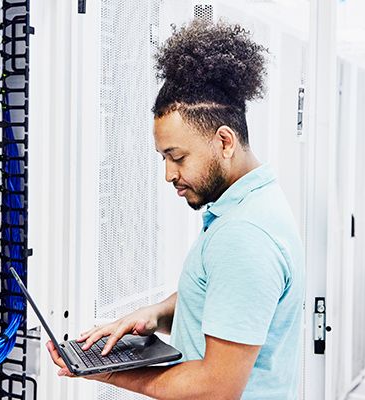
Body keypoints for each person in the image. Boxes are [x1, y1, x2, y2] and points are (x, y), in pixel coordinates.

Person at [47, 19, 305, 399]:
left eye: (178, 157)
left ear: (224, 141)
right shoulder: (253, 204)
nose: (169, 174)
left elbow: (215, 389)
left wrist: (104, 374)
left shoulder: (245, 237)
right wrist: (157, 314)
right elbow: (225, 299)